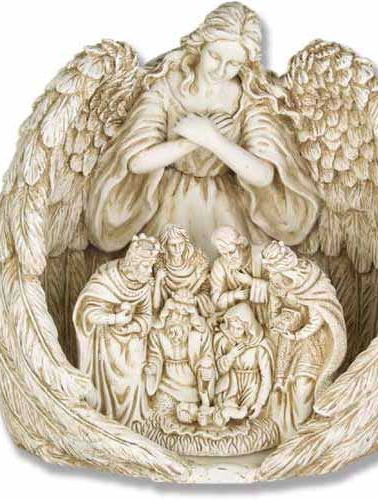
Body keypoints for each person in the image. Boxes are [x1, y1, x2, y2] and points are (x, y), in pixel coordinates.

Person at [87, 2, 319, 259]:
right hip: (170, 203)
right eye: (215, 57)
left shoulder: (250, 98)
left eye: (233, 63)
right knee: (172, 266)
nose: (220, 70)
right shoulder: (165, 88)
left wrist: (214, 140)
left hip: (229, 208)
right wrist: (192, 141)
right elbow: (136, 161)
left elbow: (264, 176)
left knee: (230, 269)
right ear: (200, 46)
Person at [261, 241, 347, 437]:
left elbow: (317, 319)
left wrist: (297, 334)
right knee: (280, 384)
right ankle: (285, 431)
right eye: (269, 271)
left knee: (303, 384)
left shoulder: (308, 280)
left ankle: (302, 429)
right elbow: (273, 310)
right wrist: (278, 323)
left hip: (311, 341)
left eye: (272, 270)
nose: (270, 276)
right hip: (286, 339)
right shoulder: (275, 284)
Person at [73, 234, 160, 425]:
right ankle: (108, 415)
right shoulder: (107, 279)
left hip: (131, 338)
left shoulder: (144, 284)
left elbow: (146, 315)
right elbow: (86, 312)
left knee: (135, 369)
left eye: (151, 266)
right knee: (112, 372)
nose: (150, 272)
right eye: (146, 266)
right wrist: (114, 319)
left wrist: (133, 326)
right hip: (105, 342)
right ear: (134, 264)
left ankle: (133, 418)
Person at [144, 289, 215, 423]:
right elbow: (154, 355)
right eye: (176, 313)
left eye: (185, 315)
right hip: (167, 385)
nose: (180, 318)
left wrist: (206, 369)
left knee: (191, 416)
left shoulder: (199, 332)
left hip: (192, 388)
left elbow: (207, 356)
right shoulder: (158, 331)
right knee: (162, 415)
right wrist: (152, 368)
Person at [213, 303, 273, 425]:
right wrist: (230, 356)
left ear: (247, 328)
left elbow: (266, 377)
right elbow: (218, 370)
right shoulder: (223, 341)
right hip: (231, 384)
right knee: (226, 407)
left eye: (239, 328)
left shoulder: (259, 347)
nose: (234, 332)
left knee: (244, 412)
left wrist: (259, 403)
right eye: (231, 327)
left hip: (251, 386)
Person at [210, 225, 269, 326]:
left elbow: (279, 289)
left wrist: (251, 281)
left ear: (241, 245)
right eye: (224, 254)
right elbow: (216, 301)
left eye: (231, 252)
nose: (229, 258)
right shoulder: (219, 266)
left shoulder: (260, 254)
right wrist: (234, 295)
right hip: (239, 322)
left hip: (266, 314)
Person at [153, 224, 214, 317]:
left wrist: (194, 300)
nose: (178, 249)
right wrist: (158, 280)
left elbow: (206, 294)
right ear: (165, 246)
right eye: (173, 245)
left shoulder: (197, 265)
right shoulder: (161, 269)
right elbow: (156, 307)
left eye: (181, 243)